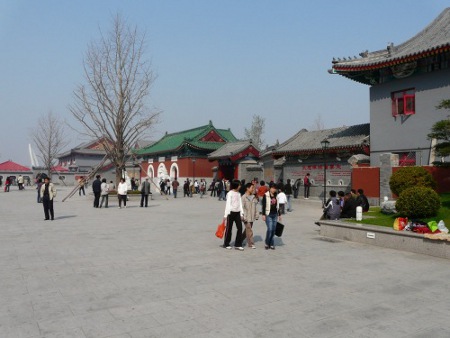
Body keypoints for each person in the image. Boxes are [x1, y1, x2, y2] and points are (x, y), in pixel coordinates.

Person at [222, 180, 245, 251]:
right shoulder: (230, 193)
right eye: (239, 185)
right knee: (229, 229)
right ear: (236, 186)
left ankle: (238, 244)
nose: (240, 186)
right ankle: (226, 243)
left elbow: (240, 204)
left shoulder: (238, 194)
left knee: (240, 228)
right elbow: (228, 204)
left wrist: (241, 214)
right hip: (230, 213)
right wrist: (225, 215)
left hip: (237, 213)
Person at [262, 182, 281, 250]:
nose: (274, 189)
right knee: (270, 229)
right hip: (268, 214)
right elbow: (264, 205)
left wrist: (279, 214)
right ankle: (267, 243)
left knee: (273, 230)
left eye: (275, 188)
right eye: (273, 188)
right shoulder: (266, 195)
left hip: (275, 214)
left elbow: (277, 206)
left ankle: (272, 243)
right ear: (270, 188)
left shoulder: (276, 195)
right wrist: (263, 215)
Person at [241, 182, 258, 249]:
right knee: (249, 229)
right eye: (252, 188)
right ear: (247, 188)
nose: (253, 189)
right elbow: (241, 207)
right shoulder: (243, 197)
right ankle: (251, 243)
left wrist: (256, 215)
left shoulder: (253, 197)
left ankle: (239, 239)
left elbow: (255, 207)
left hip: (252, 217)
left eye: (253, 188)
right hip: (246, 216)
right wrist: (243, 216)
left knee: (247, 230)